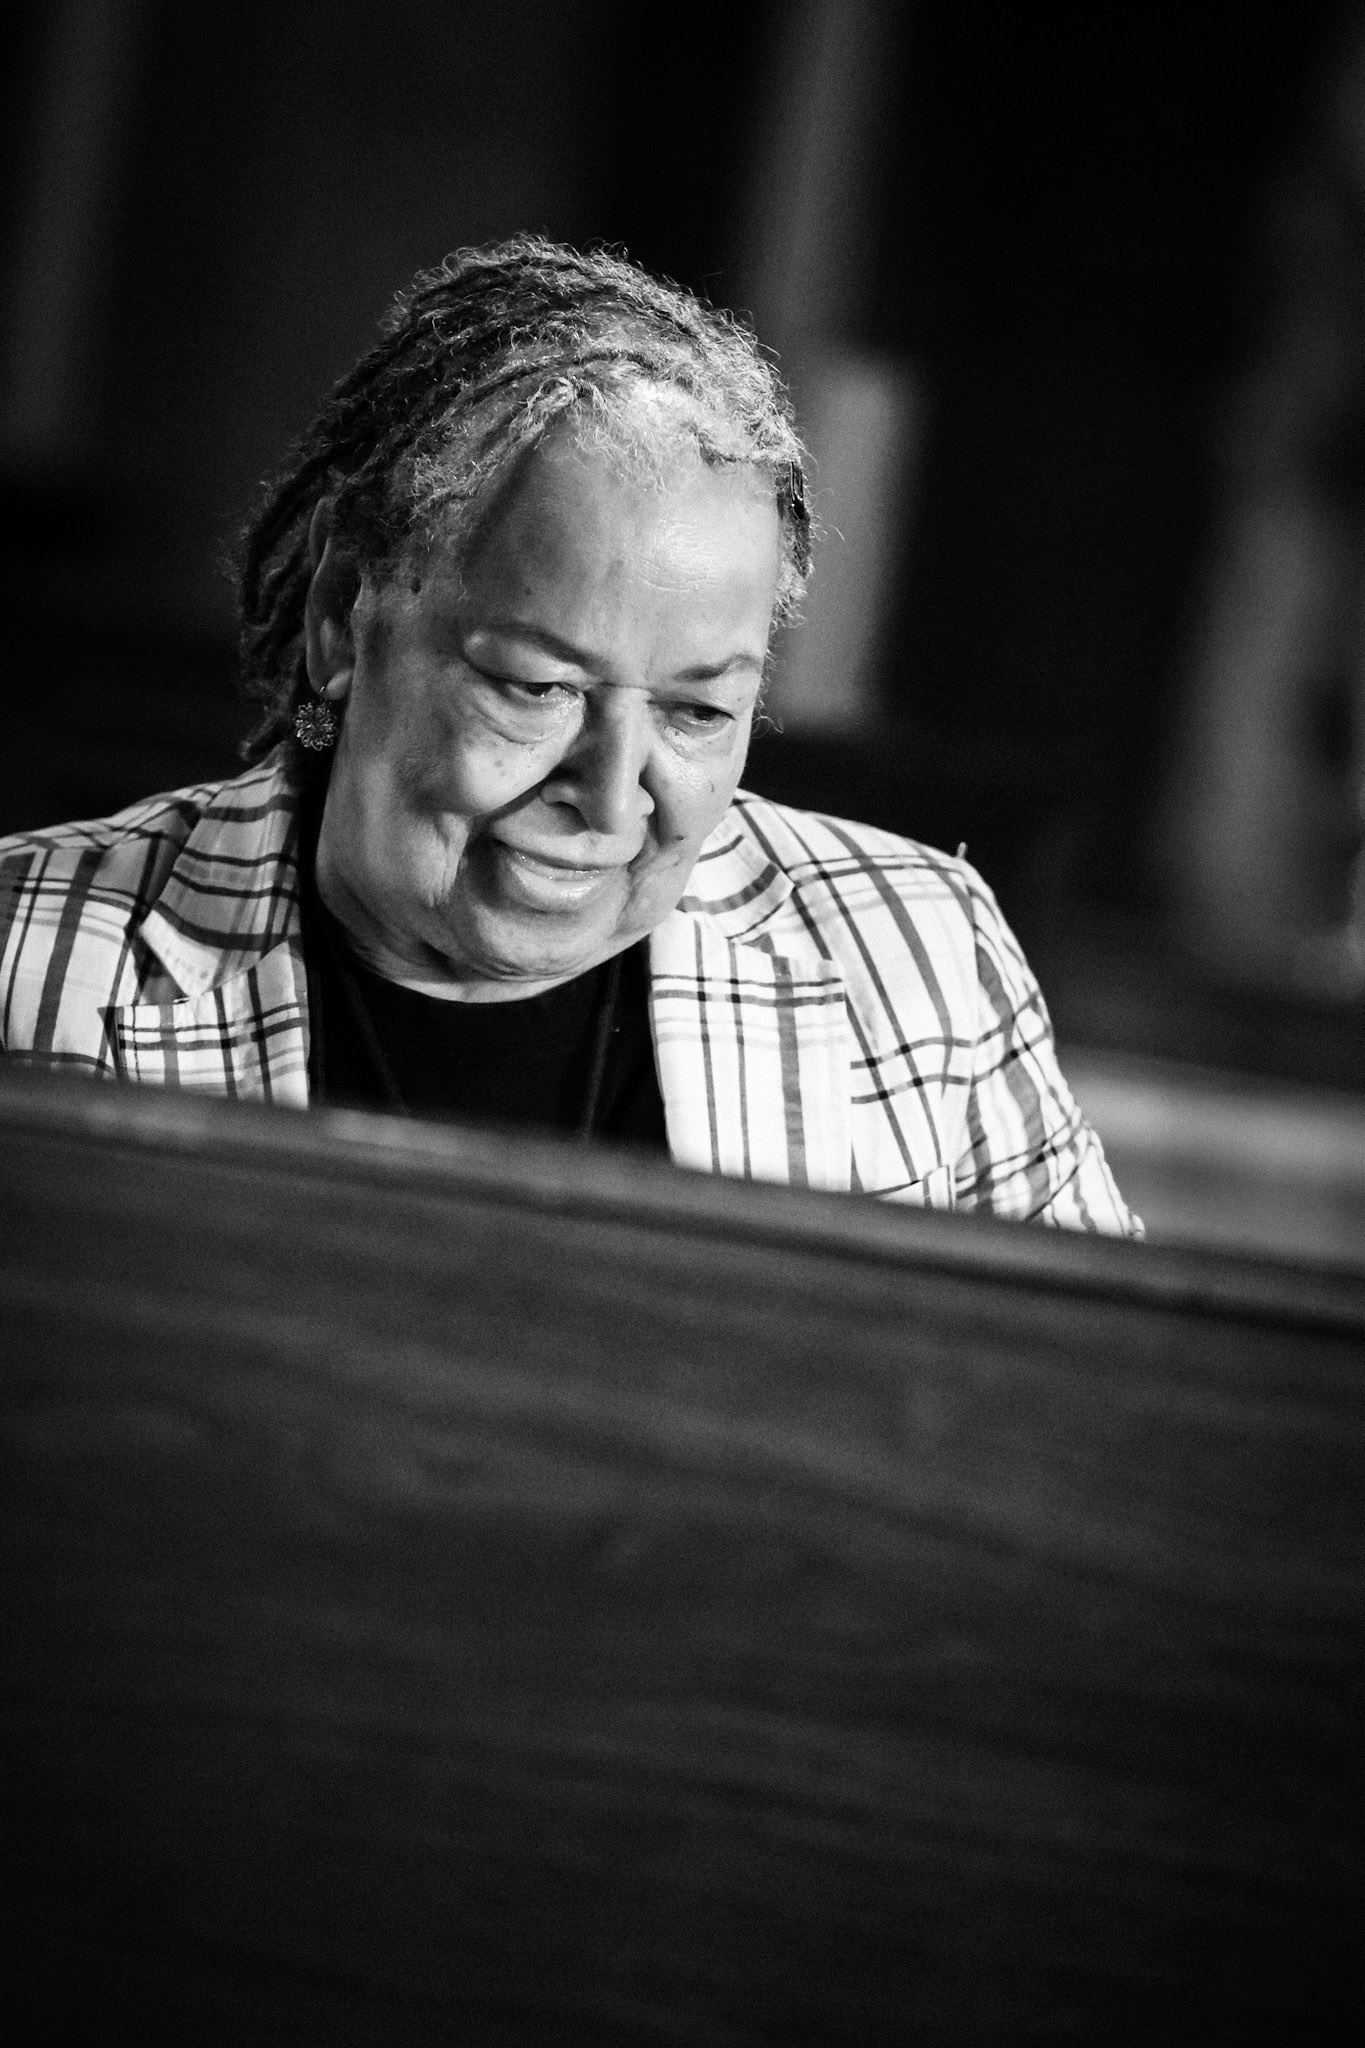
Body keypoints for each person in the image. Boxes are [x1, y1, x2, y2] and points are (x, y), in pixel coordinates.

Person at [0, 237, 1138, 1233]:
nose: (610, 797)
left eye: (697, 710)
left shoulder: (919, 960)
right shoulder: (20, 967)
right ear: (345, 613)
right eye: (538, 688)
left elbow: (1102, 1426)